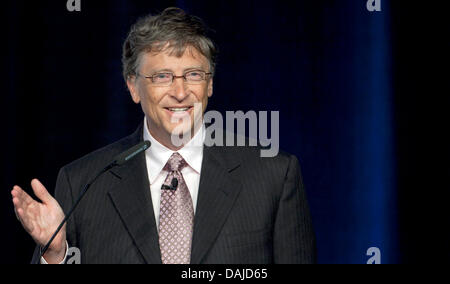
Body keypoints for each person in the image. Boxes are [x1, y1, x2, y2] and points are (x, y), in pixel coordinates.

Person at [10, 7, 316, 264]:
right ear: (132, 86)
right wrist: (55, 254)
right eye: (162, 77)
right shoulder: (83, 183)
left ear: (209, 84)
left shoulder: (274, 175)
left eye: (194, 75)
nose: (181, 92)